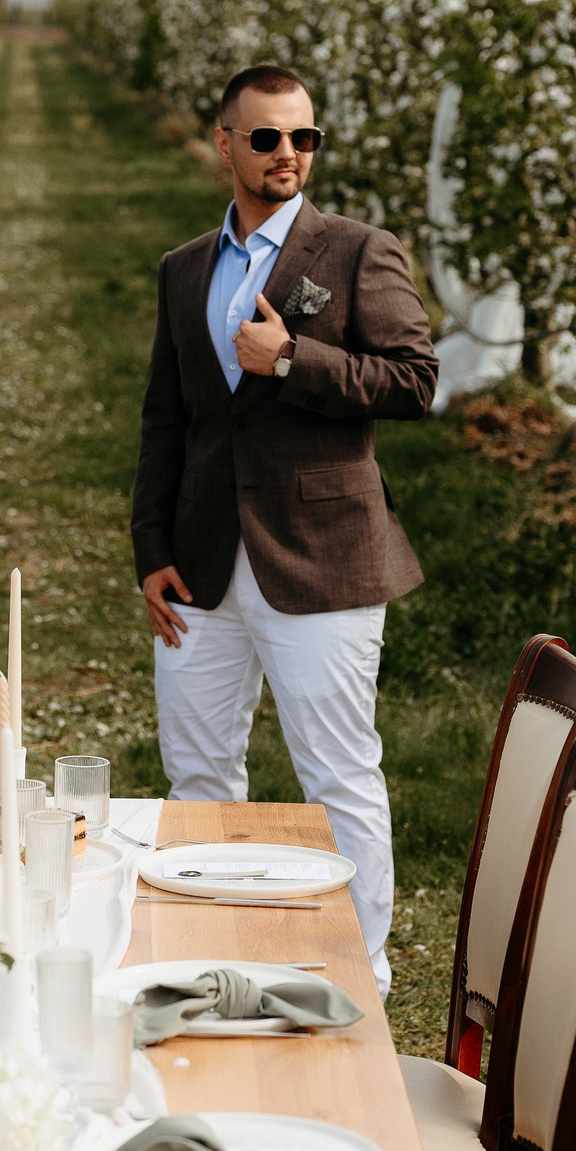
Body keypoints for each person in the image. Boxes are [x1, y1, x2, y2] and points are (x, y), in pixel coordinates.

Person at [131, 64, 438, 995]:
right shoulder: (183, 269)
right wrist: (153, 549)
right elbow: (166, 419)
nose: (288, 155)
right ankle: (214, 963)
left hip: (325, 562)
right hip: (203, 567)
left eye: (304, 138)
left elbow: (415, 380)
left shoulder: (356, 252)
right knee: (196, 773)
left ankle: (363, 970)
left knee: (337, 771)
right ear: (225, 144)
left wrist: (293, 358)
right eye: (267, 138)